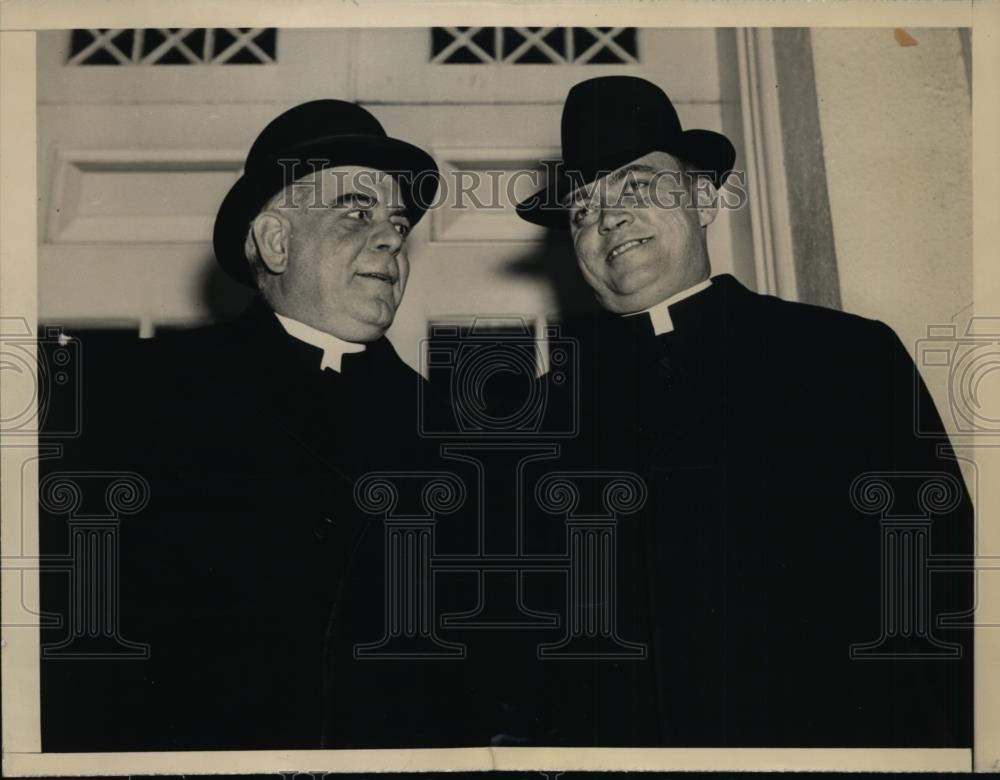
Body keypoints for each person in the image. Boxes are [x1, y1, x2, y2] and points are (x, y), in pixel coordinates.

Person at [513, 76, 974, 747]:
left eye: (639, 187)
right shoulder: (543, 412)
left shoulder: (845, 355)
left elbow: (938, 586)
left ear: (702, 199)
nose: (608, 219)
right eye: (584, 209)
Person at [40, 100, 441, 751]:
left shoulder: (450, 428)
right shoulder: (139, 398)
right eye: (357, 212)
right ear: (277, 241)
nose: (393, 237)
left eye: (397, 221)